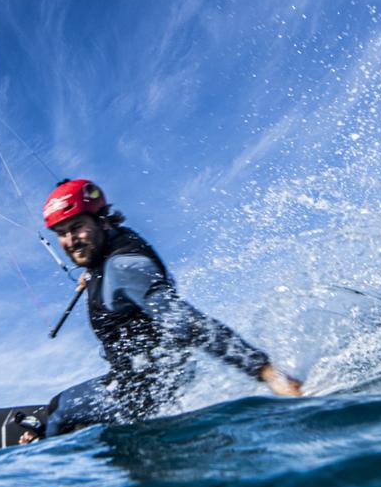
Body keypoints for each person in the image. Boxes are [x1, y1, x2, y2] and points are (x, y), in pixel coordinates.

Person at [39, 178, 302, 440]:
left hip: (136, 395)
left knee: (59, 410)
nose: (71, 240)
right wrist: (93, 273)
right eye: (62, 233)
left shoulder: (124, 268)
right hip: (157, 379)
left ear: (102, 220)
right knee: (61, 406)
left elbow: (186, 322)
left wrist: (265, 371)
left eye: (77, 228)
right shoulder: (113, 248)